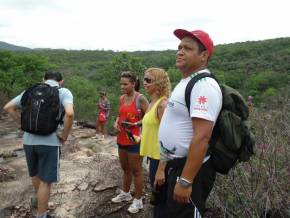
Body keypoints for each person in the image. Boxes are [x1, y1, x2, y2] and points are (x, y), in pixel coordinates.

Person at [155, 29, 222, 217]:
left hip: (188, 170)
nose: (180, 51)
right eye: (179, 47)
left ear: (203, 56)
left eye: (187, 48)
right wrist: (163, 165)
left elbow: (202, 137)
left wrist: (185, 181)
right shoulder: (186, 82)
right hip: (173, 165)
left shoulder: (203, 86)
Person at [3, 71, 74, 218]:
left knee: (35, 174)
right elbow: (70, 113)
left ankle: (38, 201)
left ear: (43, 79)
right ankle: (42, 215)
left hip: (28, 141)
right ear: (61, 81)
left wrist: (21, 125)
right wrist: (65, 136)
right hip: (50, 142)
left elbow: (8, 107)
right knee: (46, 182)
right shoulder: (63, 91)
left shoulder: (31, 90)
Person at [111, 71, 149, 214]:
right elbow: (119, 115)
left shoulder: (141, 98)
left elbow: (149, 118)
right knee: (125, 168)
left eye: (125, 84)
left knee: (137, 171)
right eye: (121, 84)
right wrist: (116, 123)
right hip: (121, 138)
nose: (122, 87)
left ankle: (138, 200)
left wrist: (136, 124)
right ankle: (125, 193)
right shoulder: (122, 98)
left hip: (135, 139)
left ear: (133, 83)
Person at [139, 67, 171, 218]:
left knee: (160, 201)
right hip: (152, 157)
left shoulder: (162, 105)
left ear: (158, 83)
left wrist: (161, 169)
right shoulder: (152, 103)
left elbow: (169, 137)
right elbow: (153, 128)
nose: (144, 83)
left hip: (160, 159)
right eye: (144, 79)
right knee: (156, 199)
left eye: (148, 80)